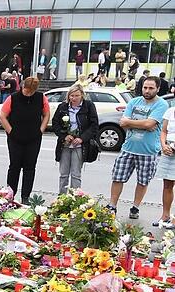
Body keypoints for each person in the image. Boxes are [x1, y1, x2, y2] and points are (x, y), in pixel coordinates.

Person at [109, 76, 168, 219]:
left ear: (158, 89)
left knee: (142, 181)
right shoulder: (134, 102)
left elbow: (150, 124)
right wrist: (144, 123)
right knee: (117, 178)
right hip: (128, 147)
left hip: (148, 151)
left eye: (151, 88)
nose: (147, 91)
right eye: (145, 87)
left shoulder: (161, 104)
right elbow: (123, 122)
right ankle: (112, 206)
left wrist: (133, 122)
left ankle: (135, 208)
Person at [0, 77, 50, 204]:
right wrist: (11, 131)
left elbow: (47, 114)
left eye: (30, 92)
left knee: (30, 167)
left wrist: (41, 130)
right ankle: (10, 195)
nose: (27, 93)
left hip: (33, 138)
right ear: (22, 86)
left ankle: (25, 197)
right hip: (15, 138)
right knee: (14, 167)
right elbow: (2, 116)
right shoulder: (13, 98)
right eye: (25, 90)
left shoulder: (40, 97)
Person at [51, 85, 99, 194]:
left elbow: (94, 125)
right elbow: (55, 124)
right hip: (65, 144)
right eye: (71, 96)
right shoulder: (63, 107)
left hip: (79, 145)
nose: (74, 98)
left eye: (76, 95)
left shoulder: (89, 106)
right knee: (63, 174)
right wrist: (64, 136)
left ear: (82, 95)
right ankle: (61, 198)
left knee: (76, 174)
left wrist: (82, 138)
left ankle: (74, 199)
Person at [157, 100, 175, 227]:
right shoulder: (170, 111)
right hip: (168, 151)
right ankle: (165, 216)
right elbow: (164, 131)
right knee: (167, 185)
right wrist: (163, 145)